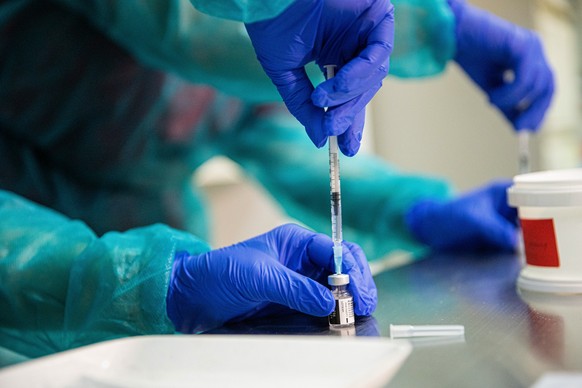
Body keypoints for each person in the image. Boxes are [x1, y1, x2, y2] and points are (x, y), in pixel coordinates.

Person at [0, 0, 553, 366]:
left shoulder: (245, 44)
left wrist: (416, 210)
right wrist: (150, 285)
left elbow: (288, 138)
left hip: (163, 247)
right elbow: (189, 28)